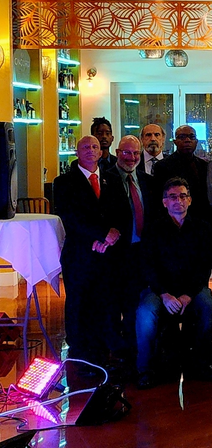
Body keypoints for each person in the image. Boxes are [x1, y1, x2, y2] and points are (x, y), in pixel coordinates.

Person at [137, 177, 212, 388]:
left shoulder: (203, 228)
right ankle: (144, 369)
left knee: (208, 307)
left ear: (190, 200)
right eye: (172, 197)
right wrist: (165, 294)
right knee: (145, 313)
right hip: (159, 290)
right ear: (164, 202)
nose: (178, 201)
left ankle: (201, 362)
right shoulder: (153, 229)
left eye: (183, 196)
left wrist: (187, 296)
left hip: (193, 289)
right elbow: (147, 266)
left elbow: (204, 267)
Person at [53, 135, 123, 366]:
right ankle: (79, 354)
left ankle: (107, 350)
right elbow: (70, 217)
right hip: (80, 253)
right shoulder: (63, 182)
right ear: (76, 151)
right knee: (79, 302)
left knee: (107, 300)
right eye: (86, 147)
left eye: (95, 146)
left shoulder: (112, 178)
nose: (91, 150)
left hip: (108, 254)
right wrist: (100, 235)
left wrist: (111, 236)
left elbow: (121, 212)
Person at [105, 135, 158, 364]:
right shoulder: (105, 179)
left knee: (134, 302)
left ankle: (133, 348)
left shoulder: (147, 181)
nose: (132, 157)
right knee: (113, 303)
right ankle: (116, 352)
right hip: (115, 253)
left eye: (136, 153)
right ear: (118, 152)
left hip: (141, 252)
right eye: (127, 153)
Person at [152, 125, 212, 223]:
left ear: (196, 141)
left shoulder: (204, 166)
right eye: (182, 137)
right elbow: (159, 198)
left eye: (191, 137)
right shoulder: (162, 166)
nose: (187, 140)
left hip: (201, 220)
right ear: (175, 142)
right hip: (172, 220)